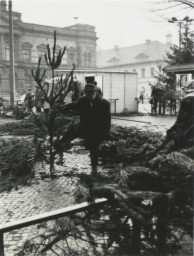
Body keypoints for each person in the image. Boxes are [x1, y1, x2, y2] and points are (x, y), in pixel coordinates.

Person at [63, 83, 111, 174]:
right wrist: (65, 107)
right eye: (86, 94)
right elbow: (74, 105)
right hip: (84, 126)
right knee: (69, 133)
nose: (88, 96)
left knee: (94, 148)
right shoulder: (83, 100)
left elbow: (107, 121)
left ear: (95, 93)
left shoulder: (105, 103)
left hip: (97, 130)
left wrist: (105, 134)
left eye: (90, 94)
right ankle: (61, 147)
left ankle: (94, 168)